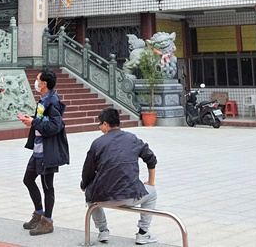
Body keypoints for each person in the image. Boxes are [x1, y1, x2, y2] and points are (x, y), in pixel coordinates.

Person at [81, 107, 159, 245]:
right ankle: (143, 232)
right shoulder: (132, 138)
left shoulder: (97, 143)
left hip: (102, 198)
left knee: (89, 192)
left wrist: (84, 185)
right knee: (152, 193)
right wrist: (151, 182)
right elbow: (151, 158)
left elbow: (88, 171)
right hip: (131, 195)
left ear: (105, 124)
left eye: (100, 124)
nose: (100, 128)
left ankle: (103, 231)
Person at [18, 68, 70, 236]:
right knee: (28, 179)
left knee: (48, 187)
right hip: (38, 150)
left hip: (48, 152)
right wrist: (32, 121)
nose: (35, 81)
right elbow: (41, 121)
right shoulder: (43, 100)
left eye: (37, 79)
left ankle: (47, 221)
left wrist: (34, 122)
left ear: (43, 84)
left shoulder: (52, 102)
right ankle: (39, 213)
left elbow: (55, 126)